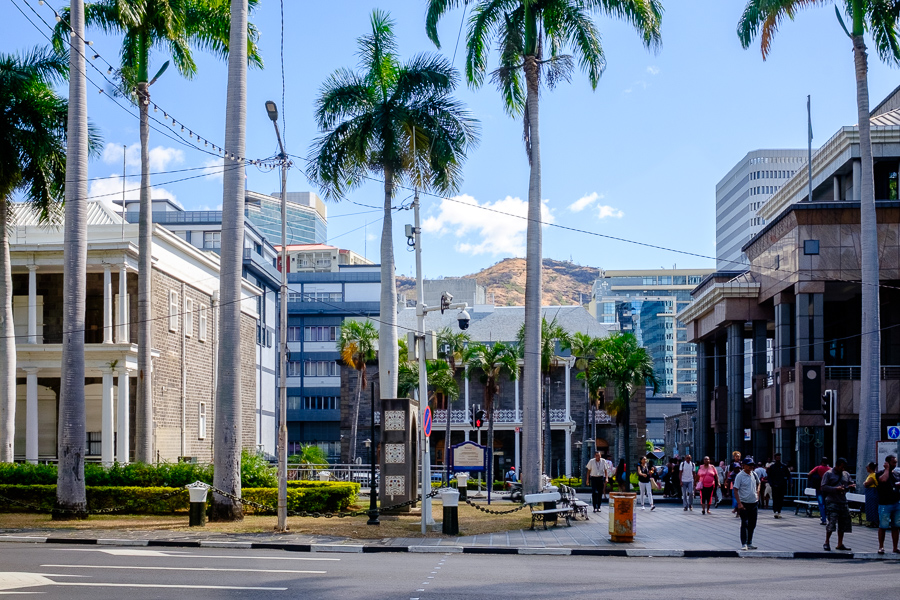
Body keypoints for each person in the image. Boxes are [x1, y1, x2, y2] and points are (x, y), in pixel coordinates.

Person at [820, 457, 855, 552]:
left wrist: (851, 486)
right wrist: (835, 489)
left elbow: (849, 483)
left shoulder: (846, 474)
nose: (843, 469)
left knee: (843, 523)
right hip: (832, 501)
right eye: (841, 467)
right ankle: (827, 542)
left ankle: (840, 543)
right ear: (837, 465)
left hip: (843, 501)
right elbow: (823, 487)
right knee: (832, 522)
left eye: (844, 467)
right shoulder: (829, 474)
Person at [733, 457, 760, 550]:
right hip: (744, 503)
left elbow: (758, 483)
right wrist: (739, 503)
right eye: (748, 465)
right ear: (743, 466)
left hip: (754, 502)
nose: (750, 467)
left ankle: (750, 542)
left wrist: (758, 493)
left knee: (753, 523)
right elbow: (735, 489)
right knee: (745, 523)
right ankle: (743, 543)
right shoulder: (740, 476)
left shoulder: (754, 474)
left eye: (752, 465)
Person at [876, 454, 900, 554]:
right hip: (884, 504)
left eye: (896, 462)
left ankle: (895, 547)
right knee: (883, 525)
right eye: (893, 462)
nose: (895, 464)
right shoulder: (880, 473)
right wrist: (887, 469)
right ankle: (881, 546)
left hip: (896, 502)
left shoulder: (897, 474)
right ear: (888, 463)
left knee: (896, 526)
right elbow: (883, 480)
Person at [767, 453, 791, 519]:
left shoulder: (783, 466)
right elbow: (769, 476)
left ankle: (779, 511)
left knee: (781, 499)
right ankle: (775, 511)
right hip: (774, 485)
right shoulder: (772, 467)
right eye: (777, 457)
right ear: (775, 458)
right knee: (775, 498)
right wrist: (771, 484)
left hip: (782, 485)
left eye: (779, 457)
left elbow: (788, 475)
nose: (778, 458)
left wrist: (790, 482)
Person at [809, 457, 831, 526]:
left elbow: (809, 474)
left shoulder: (818, 468)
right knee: (827, 504)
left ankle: (823, 519)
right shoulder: (830, 469)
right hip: (827, 489)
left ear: (821, 461)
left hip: (819, 488)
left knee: (821, 504)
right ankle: (830, 518)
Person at [863, 461, 879, 528]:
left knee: (873, 508)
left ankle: (875, 522)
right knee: (870, 507)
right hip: (870, 493)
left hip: (872, 492)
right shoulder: (870, 475)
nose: (866, 468)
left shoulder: (873, 475)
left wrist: (864, 483)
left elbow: (866, 484)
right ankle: (872, 521)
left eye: (867, 467)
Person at [728, 451, 743, 516]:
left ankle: (738, 510)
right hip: (734, 483)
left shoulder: (742, 463)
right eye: (736, 456)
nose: (738, 458)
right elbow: (729, 473)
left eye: (739, 456)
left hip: (741, 484)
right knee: (735, 496)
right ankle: (736, 508)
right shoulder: (732, 464)